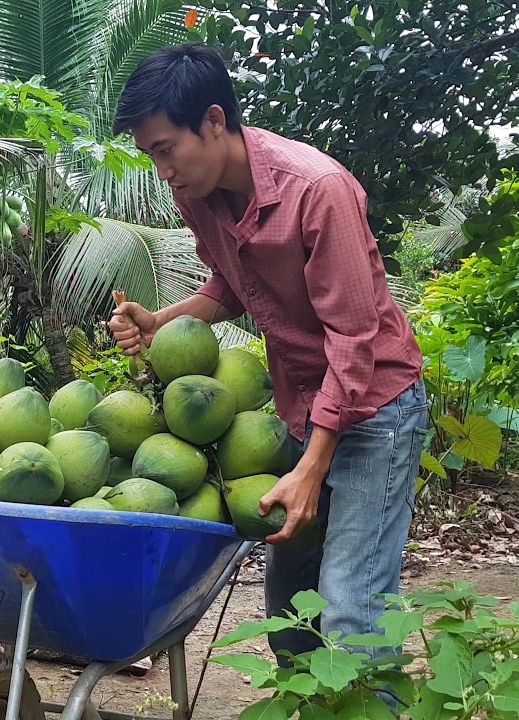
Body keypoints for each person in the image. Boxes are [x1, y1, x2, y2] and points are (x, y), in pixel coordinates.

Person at [107, 43, 428, 676]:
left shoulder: (318, 190)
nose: (162, 170)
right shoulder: (200, 195)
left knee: (351, 610)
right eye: (151, 156)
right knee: (289, 605)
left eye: (166, 149)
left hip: (375, 410)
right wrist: (160, 321)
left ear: (216, 120)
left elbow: (355, 340)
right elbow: (230, 287)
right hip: (306, 409)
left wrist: (311, 467)